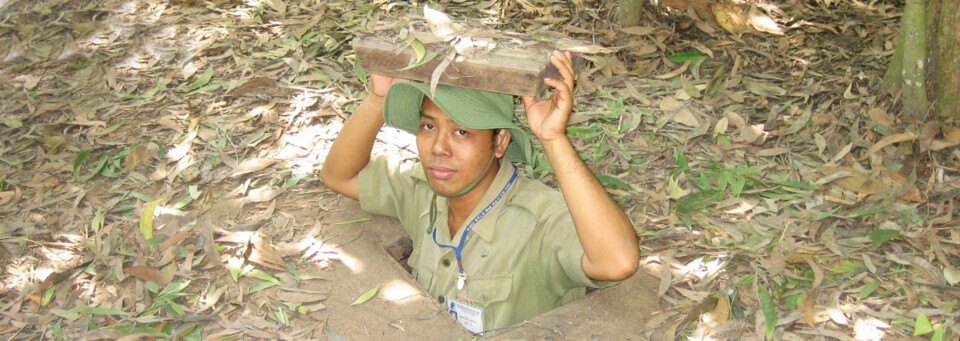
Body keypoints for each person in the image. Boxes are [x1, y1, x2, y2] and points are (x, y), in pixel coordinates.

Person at [319, 51, 639, 333]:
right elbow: (337, 176)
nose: (439, 148)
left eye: (461, 131)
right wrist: (378, 99)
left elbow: (618, 261)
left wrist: (553, 138)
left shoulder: (538, 220)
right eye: (429, 126)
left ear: (499, 142)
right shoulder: (423, 191)